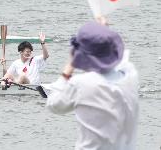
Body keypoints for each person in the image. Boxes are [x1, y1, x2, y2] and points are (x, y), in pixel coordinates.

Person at [44, 21, 139, 150]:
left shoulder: (81, 84)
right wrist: (103, 33)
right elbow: (122, 61)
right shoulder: (131, 75)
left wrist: (68, 69)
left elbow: (54, 105)